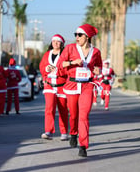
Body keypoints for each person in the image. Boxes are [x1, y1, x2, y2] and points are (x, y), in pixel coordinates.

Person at [57, 24, 102, 157]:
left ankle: (83, 146)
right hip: (72, 85)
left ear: (87, 37)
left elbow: (99, 65)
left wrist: (98, 69)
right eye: (75, 34)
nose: (77, 37)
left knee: (83, 116)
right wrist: (72, 63)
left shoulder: (96, 52)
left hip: (87, 86)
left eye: (79, 35)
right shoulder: (70, 48)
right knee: (74, 115)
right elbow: (60, 64)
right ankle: (73, 133)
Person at [39, 34, 69, 141]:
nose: (55, 43)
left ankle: (64, 132)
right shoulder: (47, 54)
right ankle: (48, 131)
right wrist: (46, 68)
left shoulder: (65, 55)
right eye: (54, 41)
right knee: (49, 108)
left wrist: (58, 70)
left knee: (63, 110)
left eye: (58, 41)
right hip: (49, 85)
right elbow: (42, 67)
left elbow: (68, 69)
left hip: (62, 86)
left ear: (61, 43)